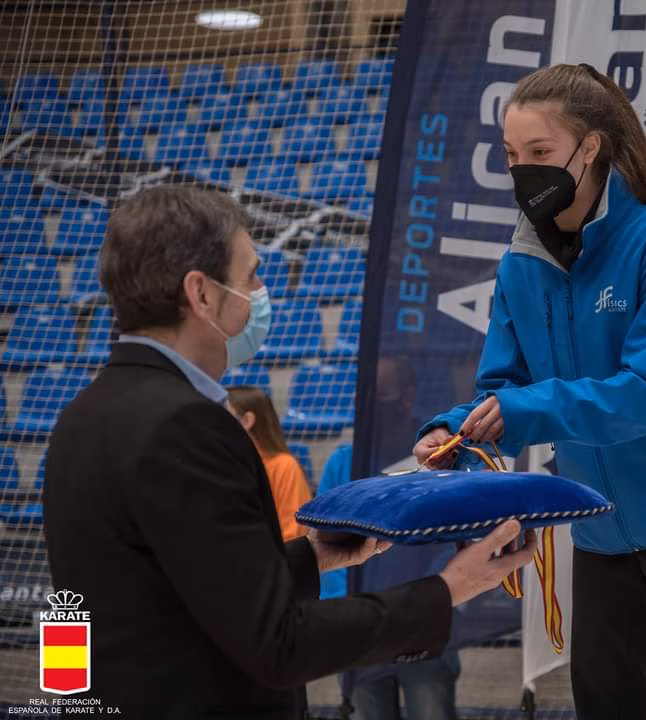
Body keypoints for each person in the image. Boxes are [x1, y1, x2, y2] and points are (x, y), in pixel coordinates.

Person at [43, 185, 535, 720]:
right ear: (201, 293)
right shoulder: (185, 424)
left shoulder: (82, 414)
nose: (261, 290)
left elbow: (184, 588)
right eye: (250, 275)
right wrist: (446, 590)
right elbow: (278, 643)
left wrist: (314, 556)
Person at [413, 64, 646, 720]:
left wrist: (521, 410)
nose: (523, 171)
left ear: (589, 147)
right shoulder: (520, 264)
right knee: (602, 702)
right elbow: (503, 388)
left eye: (539, 152)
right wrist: (452, 428)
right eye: (512, 156)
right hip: (597, 526)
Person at [318, 442, 460, 720]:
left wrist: (441, 595)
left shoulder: (437, 457)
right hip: (360, 625)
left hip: (422, 618)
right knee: (369, 710)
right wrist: (343, 615)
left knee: (431, 709)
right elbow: (324, 536)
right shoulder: (345, 460)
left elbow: (451, 537)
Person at [226, 385, 311, 542]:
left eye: (223, 415)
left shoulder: (284, 466)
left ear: (246, 421)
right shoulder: (222, 463)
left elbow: (294, 532)